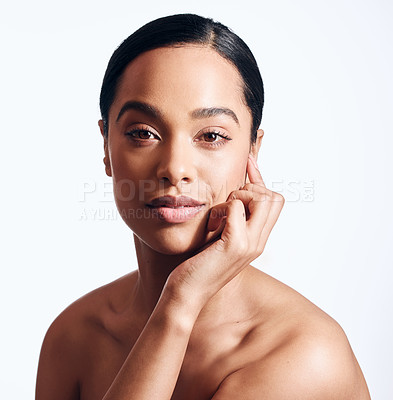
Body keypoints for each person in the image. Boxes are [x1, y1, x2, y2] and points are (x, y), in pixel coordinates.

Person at [35, 13, 371, 400]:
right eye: (143, 133)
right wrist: (177, 307)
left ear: (252, 151)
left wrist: (181, 300)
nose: (175, 168)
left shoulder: (304, 356)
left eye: (211, 135)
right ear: (106, 146)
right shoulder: (75, 335)